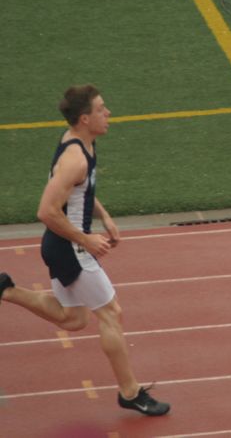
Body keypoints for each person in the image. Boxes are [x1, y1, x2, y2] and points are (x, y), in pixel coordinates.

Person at [0, 85, 169, 416]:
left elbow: (81, 193)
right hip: (69, 246)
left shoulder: (81, 144)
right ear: (84, 118)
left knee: (73, 318)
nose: (108, 114)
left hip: (63, 245)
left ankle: (6, 290)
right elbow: (46, 211)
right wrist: (86, 240)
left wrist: (103, 216)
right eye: (102, 109)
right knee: (111, 313)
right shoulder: (75, 159)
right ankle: (130, 392)